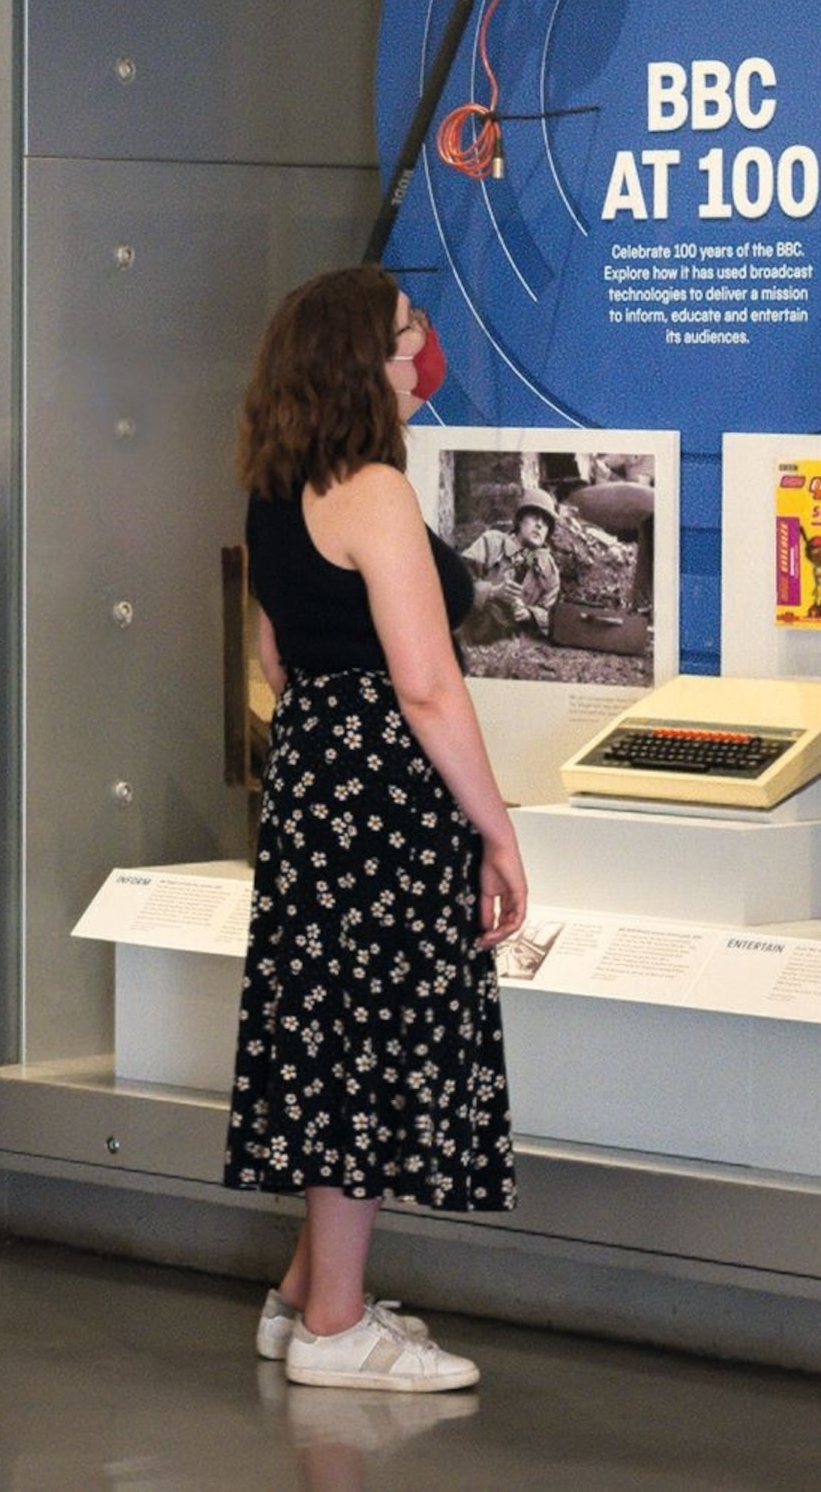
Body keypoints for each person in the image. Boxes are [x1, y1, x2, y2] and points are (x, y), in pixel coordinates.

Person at [226, 265, 525, 1393]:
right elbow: (428, 687)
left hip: (315, 782)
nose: (421, 352)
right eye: (405, 335)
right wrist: (498, 832)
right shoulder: (376, 491)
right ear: (360, 358)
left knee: (331, 1034)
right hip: (386, 798)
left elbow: (274, 656)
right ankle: (337, 1329)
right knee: (369, 1050)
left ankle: (303, 1297)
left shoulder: (274, 486)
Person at [457, 487, 562, 643]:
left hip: (512, 641)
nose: (540, 525)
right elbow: (457, 583)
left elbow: (553, 616)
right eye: (534, 517)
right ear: (520, 520)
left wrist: (530, 614)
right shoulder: (492, 543)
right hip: (471, 628)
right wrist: (492, 592)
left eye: (546, 522)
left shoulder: (549, 571)